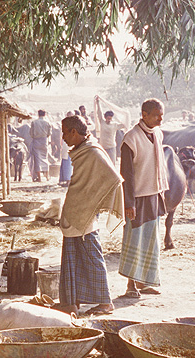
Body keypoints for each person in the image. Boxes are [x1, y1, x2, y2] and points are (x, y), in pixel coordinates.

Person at [55, 115, 124, 316]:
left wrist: (95, 202)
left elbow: (113, 178)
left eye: (65, 132)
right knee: (72, 257)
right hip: (75, 213)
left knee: (92, 257)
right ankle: (70, 303)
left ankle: (105, 303)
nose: (63, 137)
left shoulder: (92, 151)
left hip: (85, 215)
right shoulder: (82, 150)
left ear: (74, 132)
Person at [119, 98, 169, 298]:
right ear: (144, 115)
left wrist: (161, 192)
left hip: (153, 194)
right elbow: (126, 175)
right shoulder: (130, 139)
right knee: (134, 240)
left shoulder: (157, 133)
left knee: (151, 239)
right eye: (157, 115)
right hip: (137, 197)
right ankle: (131, 285)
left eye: (161, 114)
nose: (160, 119)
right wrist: (129, 202)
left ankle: (145, 282)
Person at [29, 110, 52, 181]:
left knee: (37, 159)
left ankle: (39, 178)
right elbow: (49, 133)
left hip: (36, 141)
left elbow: (31, 134)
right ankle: (47, 176)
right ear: (45, 114)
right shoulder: (47, 122)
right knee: (45, 158)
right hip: (44, 141)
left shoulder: (34, 122)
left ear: (38, 114)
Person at [58, 111, 74, 186]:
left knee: (69, 162)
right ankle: (64, 179)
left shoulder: (75, 125)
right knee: (65, 161)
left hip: (70, 144)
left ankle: (68, 180)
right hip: (65, 144)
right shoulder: (64, 124)